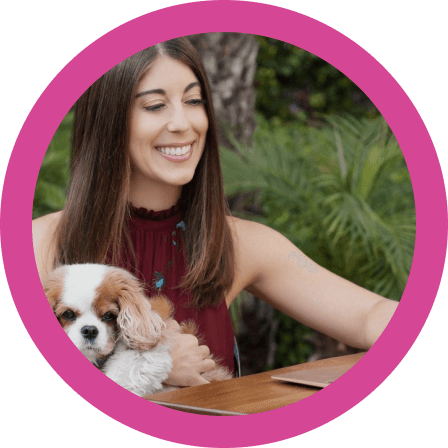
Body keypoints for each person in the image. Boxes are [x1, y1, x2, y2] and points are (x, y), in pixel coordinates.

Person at [32, 37, 398, 386]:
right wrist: (155, 367)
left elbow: (370, 315)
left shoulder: (239, 243)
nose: (183, 123)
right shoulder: (42, 243)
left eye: (194, 102)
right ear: (109, 122)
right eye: (156, 105)